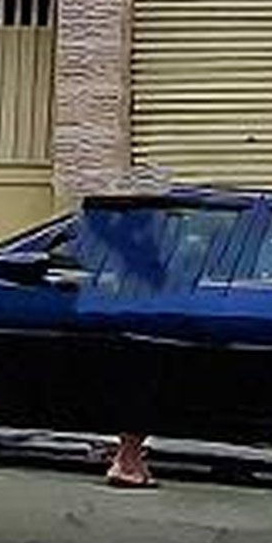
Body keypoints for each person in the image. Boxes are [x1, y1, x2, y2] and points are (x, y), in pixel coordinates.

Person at [79, 197, 178, 490]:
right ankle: (126, 463)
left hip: (132, 332)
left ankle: (130, 461)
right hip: (143, 333)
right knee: (140, 395)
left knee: (137, 395)